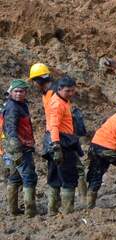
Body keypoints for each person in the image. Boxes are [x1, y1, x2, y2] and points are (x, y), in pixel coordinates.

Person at [29, 63, 87, 207]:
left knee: (68, 172)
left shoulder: (54, 94)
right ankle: (73, 203)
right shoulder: (53, 94)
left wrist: (56, 143)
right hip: (57, 137)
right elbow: (54, 121)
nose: (34, 85)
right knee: (63, 173)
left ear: (39, 80)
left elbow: (55, 121)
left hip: (60, 137)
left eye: (35, 81)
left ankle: (80, 201)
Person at [45, 76, 82, 215]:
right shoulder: (57, 104)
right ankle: (68, 211)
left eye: (72, 91)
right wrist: (56, 146)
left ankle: (52, 210)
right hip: (61, 142)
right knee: (68, 177)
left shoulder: (62, 100)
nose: (71, 93)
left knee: (54, 177)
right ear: (59, 89)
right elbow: (54, 126)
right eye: (68, 91)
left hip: (57, 140)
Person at [3, 79, 37, 217]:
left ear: (25, 92)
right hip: (19, 148)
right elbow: (10, 127)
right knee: (29, 177)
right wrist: (15, 144)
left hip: (17, 147)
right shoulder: (13, 108)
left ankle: (13, 210)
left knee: (15, 178)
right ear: (10, 92)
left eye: (21, 91)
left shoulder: (21, 105)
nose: (18, 94)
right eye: (16, 91)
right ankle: (30, 211)